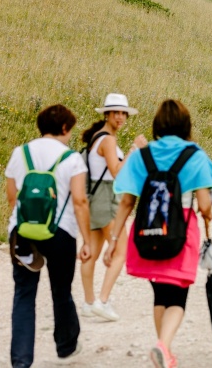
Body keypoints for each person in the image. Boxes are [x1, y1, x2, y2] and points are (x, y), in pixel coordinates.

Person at [104, 99, 212, 368]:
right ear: (186, 125)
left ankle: (165, 352)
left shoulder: (141, 155)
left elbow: (126, 202)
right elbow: (205, 205)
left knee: (160, 293)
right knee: (177, 297)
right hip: (180, 232)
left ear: (157, 124)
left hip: (146, 231)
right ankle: (163, 345)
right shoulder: (193, 154)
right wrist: (207, 217)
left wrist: (113, 240)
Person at [6, 104, 92, 367]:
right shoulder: (72, 158)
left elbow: (12, 197)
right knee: (61, 290)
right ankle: (65, 346)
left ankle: (21, 360)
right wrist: (87, 239)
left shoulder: (20, 153)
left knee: (24, 293)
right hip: (60, 232)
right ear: (65, 128)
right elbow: (79, 201)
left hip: (22, 233)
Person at [79, 93, 147, 322]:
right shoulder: (108, 139)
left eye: (123, 113)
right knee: (120, 252)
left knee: (93, 252)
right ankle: (103, 301)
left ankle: (89, 303)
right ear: (107, 114)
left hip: (93, 199)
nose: (120, 117)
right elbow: (117, 171)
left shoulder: (97, 137)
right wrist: (134, 150)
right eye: (115, 112)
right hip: (106, 198)